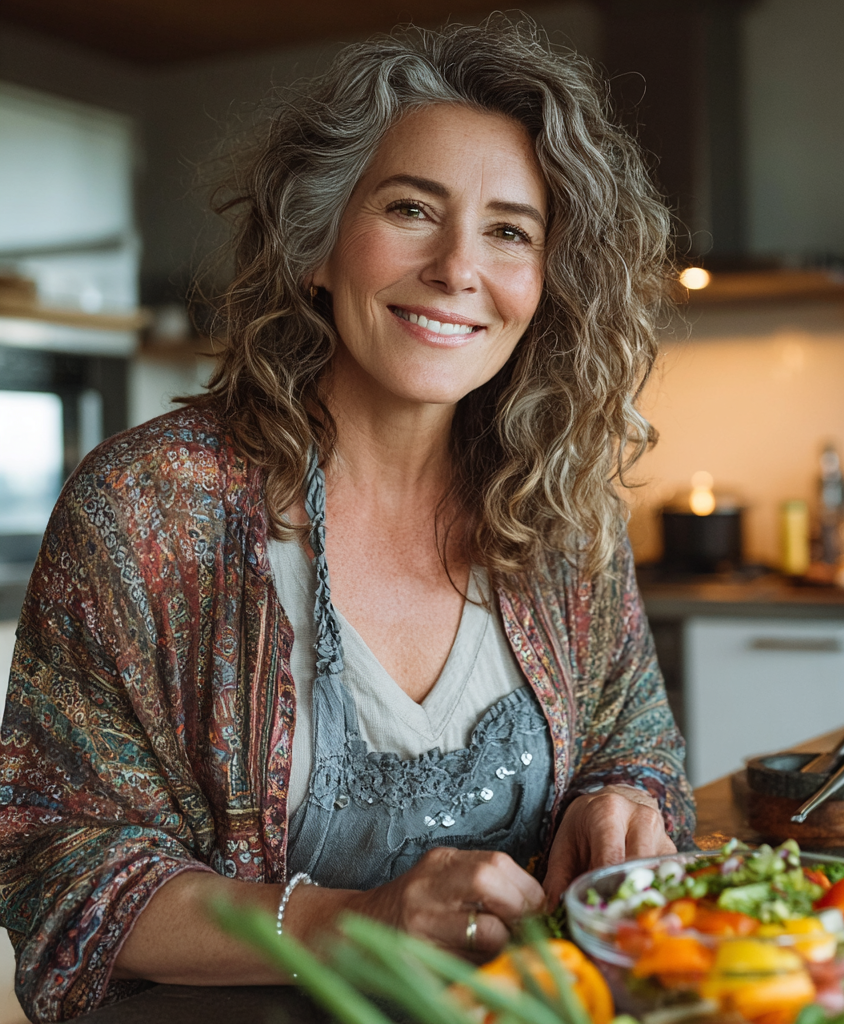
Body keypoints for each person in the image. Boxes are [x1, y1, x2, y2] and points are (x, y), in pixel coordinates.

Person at [0, 19, 695, 1022]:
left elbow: (638, 754)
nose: (459, 267)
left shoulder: (562, 513)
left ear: (544, 286)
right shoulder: (147, 508)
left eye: (509, 230)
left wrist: (614, 806)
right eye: (413, 209)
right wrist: (351, 921)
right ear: (318, 244)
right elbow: (54, 863)